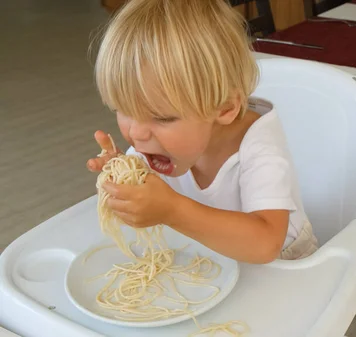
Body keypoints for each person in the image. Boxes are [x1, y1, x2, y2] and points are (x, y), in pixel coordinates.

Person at [86, 0, 318, 263]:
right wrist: (124, 181)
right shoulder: (158, 145)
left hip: (285, 268)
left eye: (162, 118)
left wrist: (172, 211)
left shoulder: (260, 149)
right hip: (210, 257)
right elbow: (147, 202)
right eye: (123, 109)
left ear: (225, 108)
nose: (137, 134)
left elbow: (267, 244)